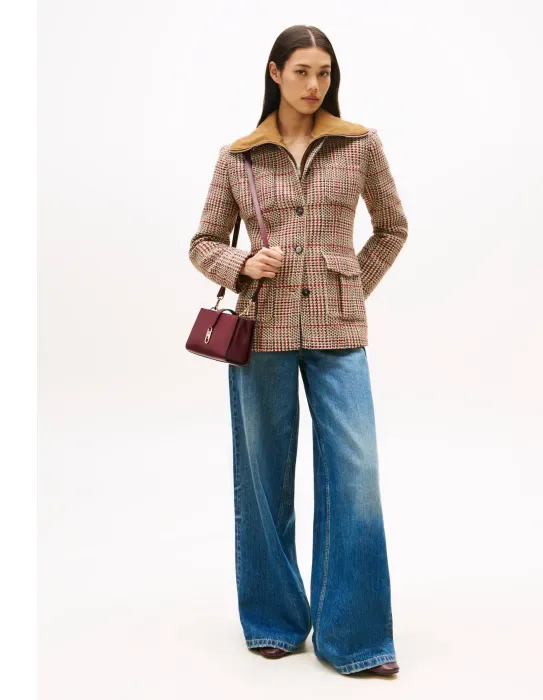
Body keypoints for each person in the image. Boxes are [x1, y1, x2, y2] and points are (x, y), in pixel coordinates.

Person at [189, 24, 408, 676]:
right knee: (263, 477)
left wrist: (350, 286)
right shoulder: (239, 158)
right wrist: (241, 265)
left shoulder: (360, 145)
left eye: (325, 73)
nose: (315, 85)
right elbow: (203, 242)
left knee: (356, 474)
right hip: (264, 331)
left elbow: (392, 228)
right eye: (303, 71)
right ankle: (273, 620)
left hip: (339, 333)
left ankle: (356, 638)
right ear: (275, 72)